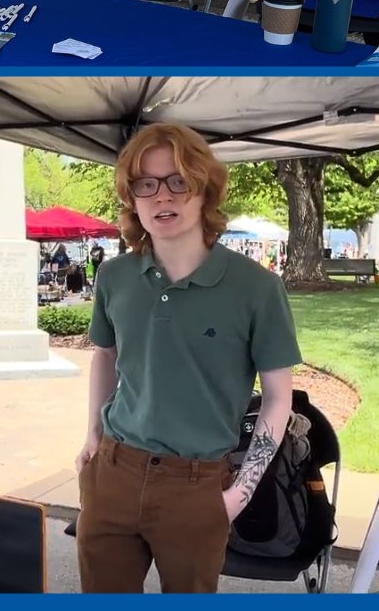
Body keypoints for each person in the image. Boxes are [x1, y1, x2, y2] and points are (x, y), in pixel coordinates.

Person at [76, 123, 301, 594]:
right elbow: (105, 355)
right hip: (113, 475)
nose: (163, 197)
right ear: (132, 197)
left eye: (179, 181)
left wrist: (240, 493)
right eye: (147, 184)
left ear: (205, 191)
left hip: (197, 485)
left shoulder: (256, 288)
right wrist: (93, 438)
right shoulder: (114, 276)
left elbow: (280, 399)